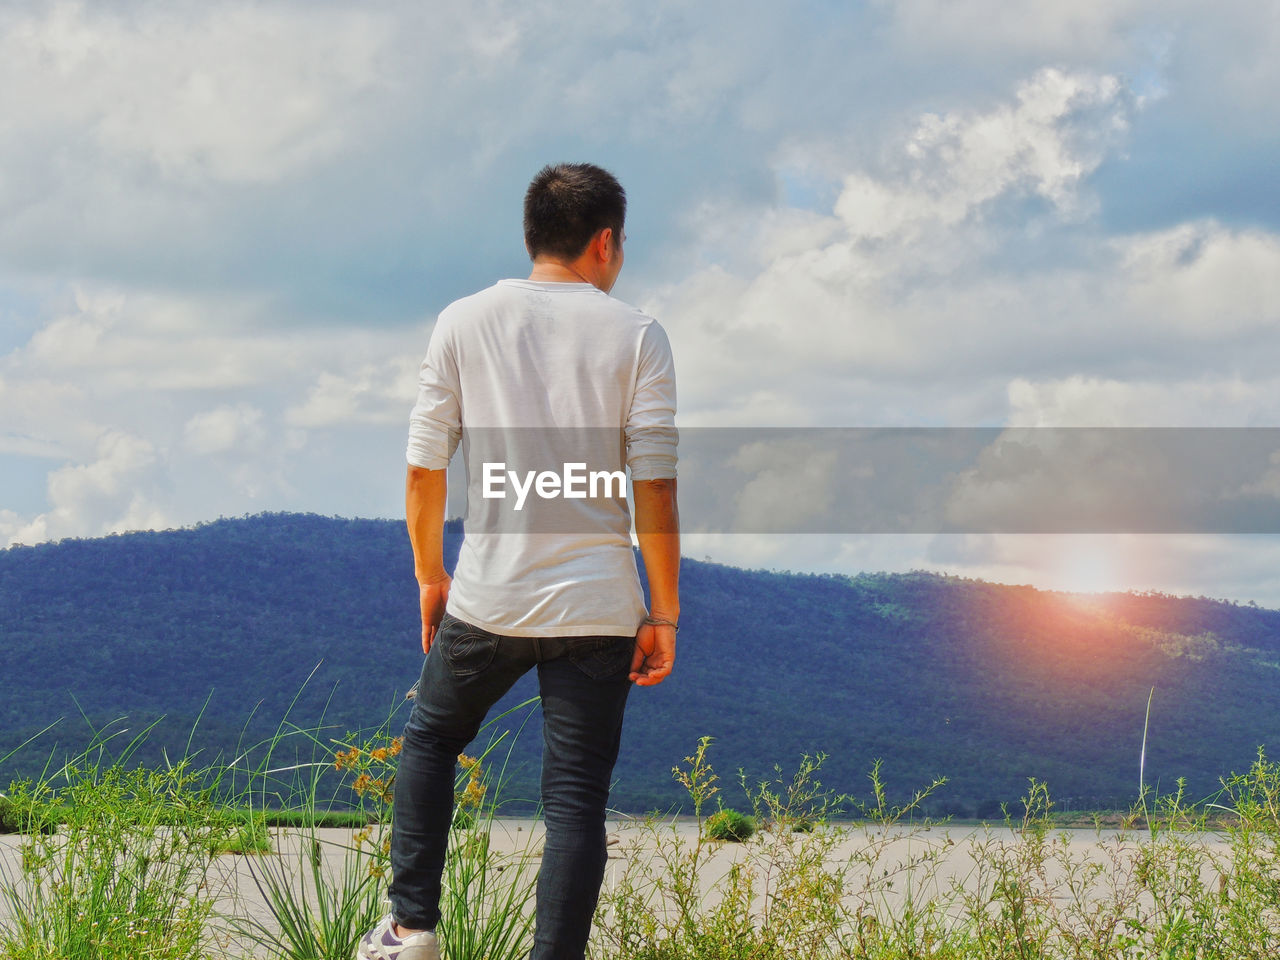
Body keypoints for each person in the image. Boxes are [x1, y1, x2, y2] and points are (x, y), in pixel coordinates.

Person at [357, 162, 680, 960]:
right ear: (605, 242)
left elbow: (424, 469)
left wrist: (431, 575)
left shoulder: (463, 322)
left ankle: (412, 928)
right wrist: (662, 611)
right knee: (574, 802)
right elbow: (657, 487)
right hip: (600, 607)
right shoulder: (638, 335)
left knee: (432, 742)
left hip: (488, 597)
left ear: (533, 235)